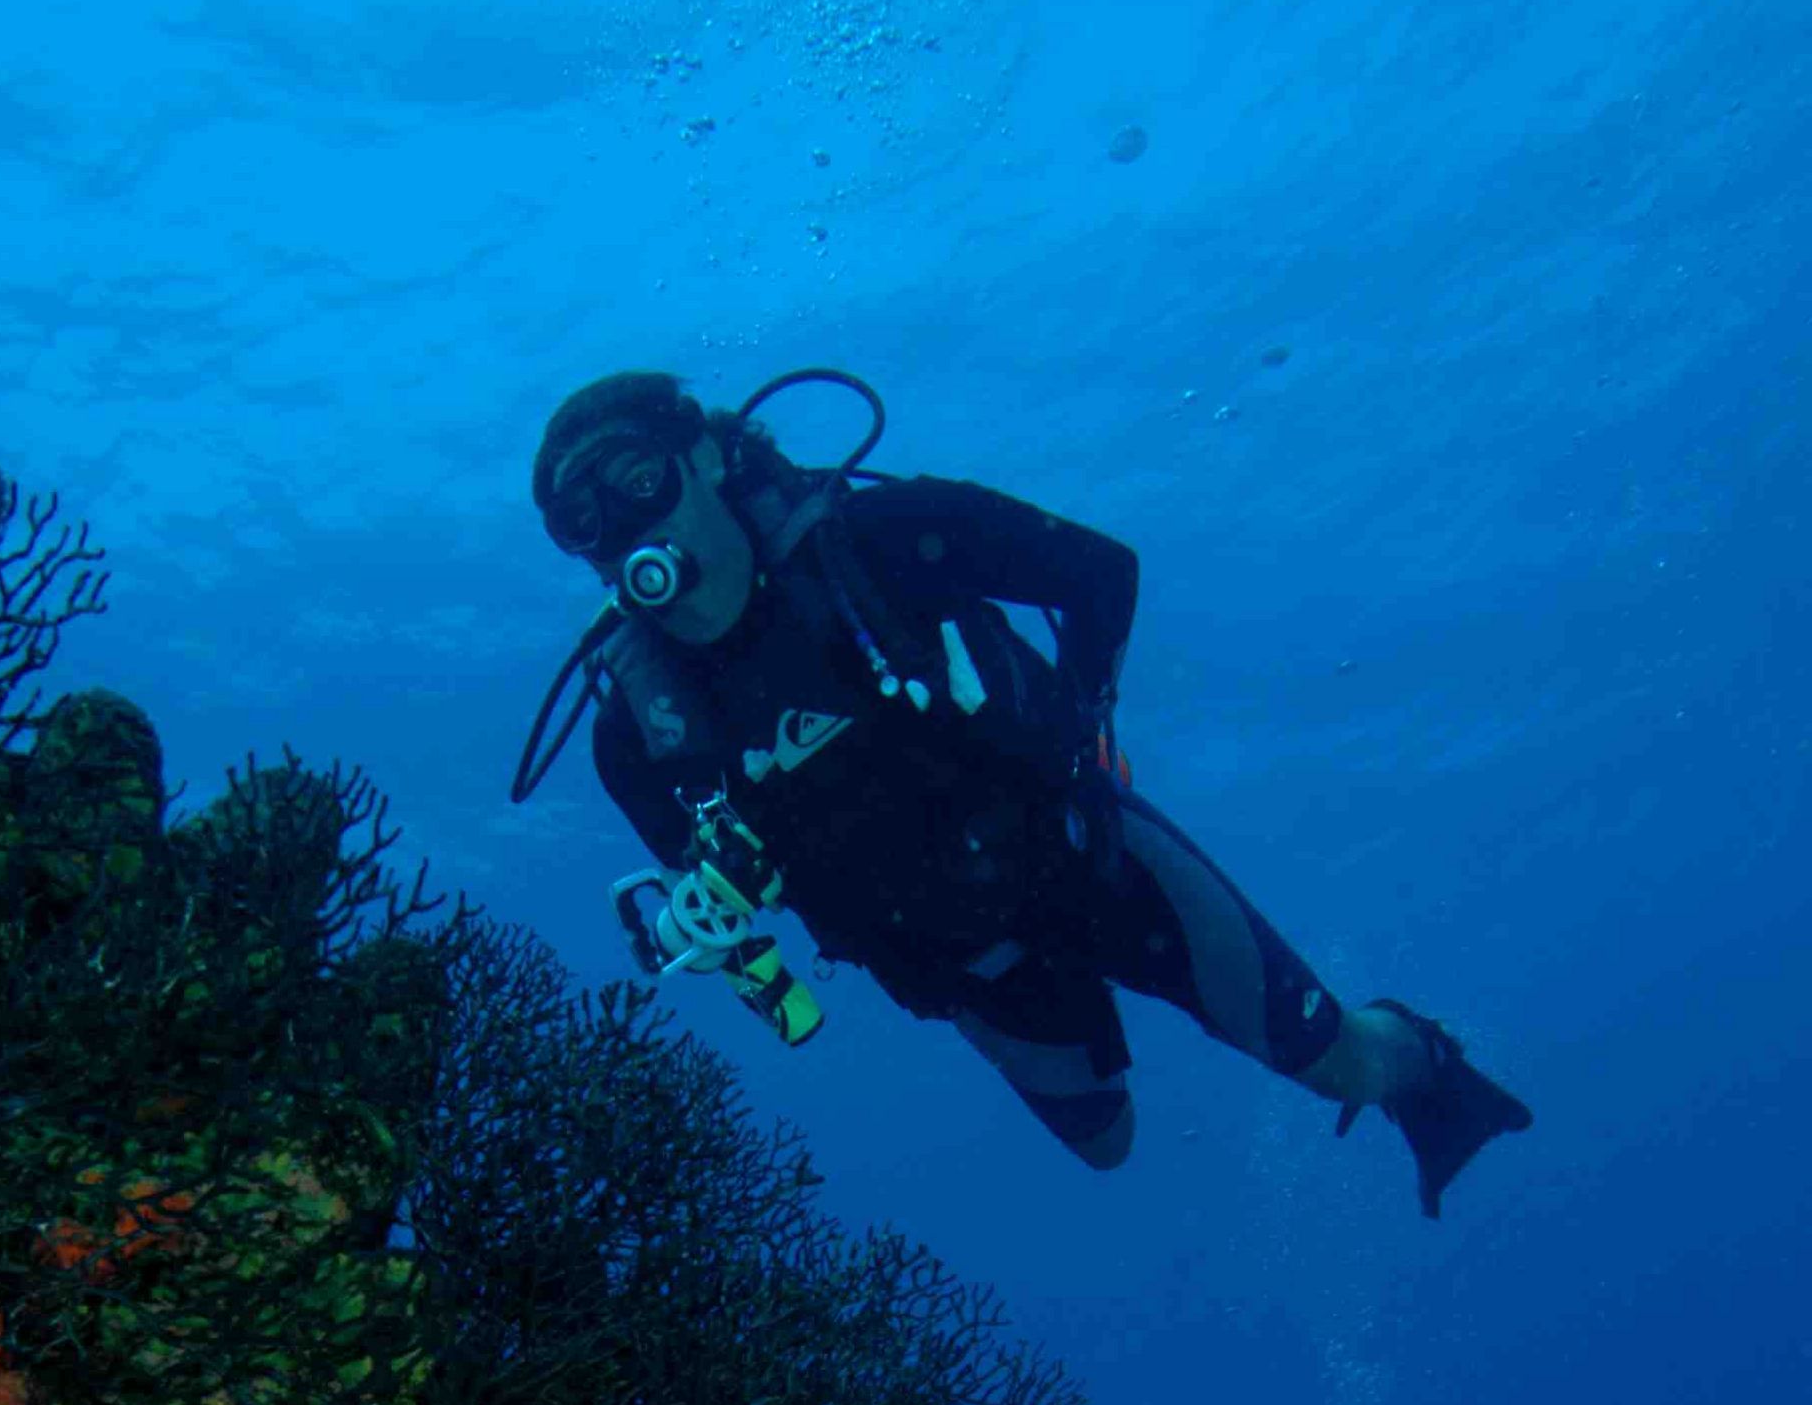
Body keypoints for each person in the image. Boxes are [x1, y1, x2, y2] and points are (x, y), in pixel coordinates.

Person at [521, 367, 1532, 1217]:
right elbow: (732, 918)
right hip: (965, 962)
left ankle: (1427, 1059)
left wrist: (1089, 722)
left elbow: (1099, 573)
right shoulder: (637, 740)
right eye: (584, 519)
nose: (622, 527)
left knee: (1335, 1062)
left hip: (1090, 859)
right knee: (1108, 1147)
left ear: (703, 455)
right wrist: (736, 950)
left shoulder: (881, 539)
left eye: (636, 479)